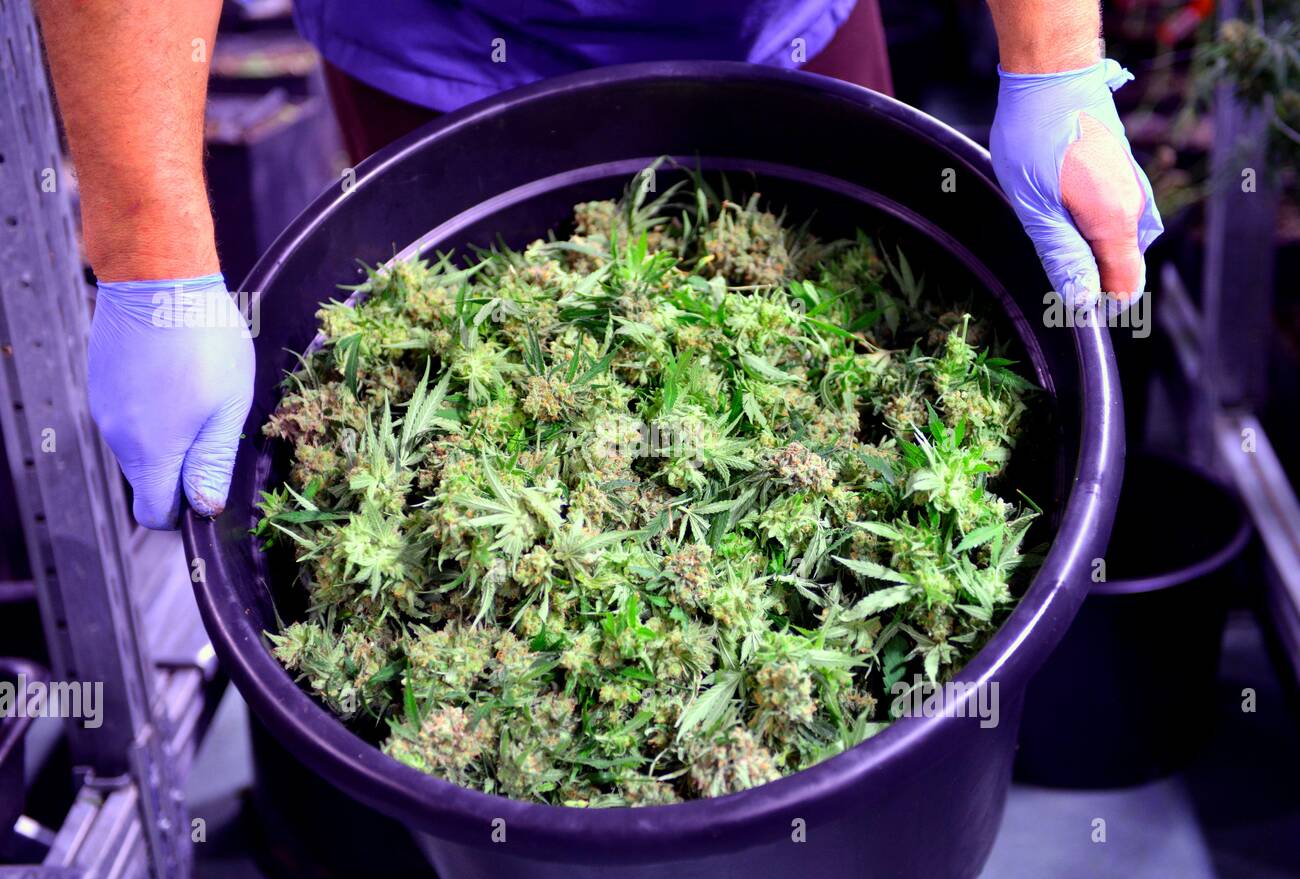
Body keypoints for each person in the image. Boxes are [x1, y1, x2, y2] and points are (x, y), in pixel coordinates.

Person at [35, 0, 1160, 530]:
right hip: (444, 48)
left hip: (779, 31)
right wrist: (152, 252)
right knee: (448, 388)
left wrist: (1054, 59)